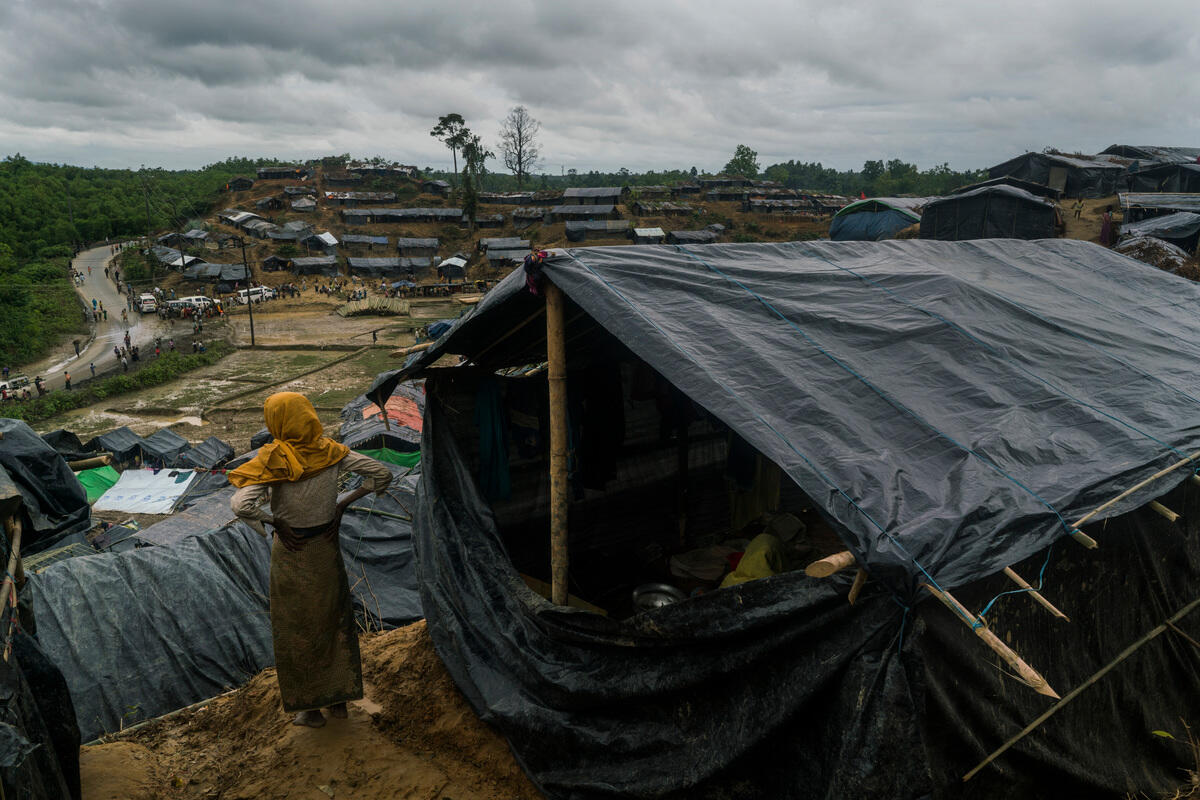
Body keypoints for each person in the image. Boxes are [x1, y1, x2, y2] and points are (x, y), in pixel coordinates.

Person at [229, 393, 392, 728]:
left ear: (277, 420)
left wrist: (276, 522)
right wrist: (342, 505)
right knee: (334, 621)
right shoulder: (330, 451)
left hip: (292, 552)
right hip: (325, 548)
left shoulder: (275, 458)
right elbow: (380, 474)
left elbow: (242, 505)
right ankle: (340, 703)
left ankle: (311, 710)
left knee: (297, 630)